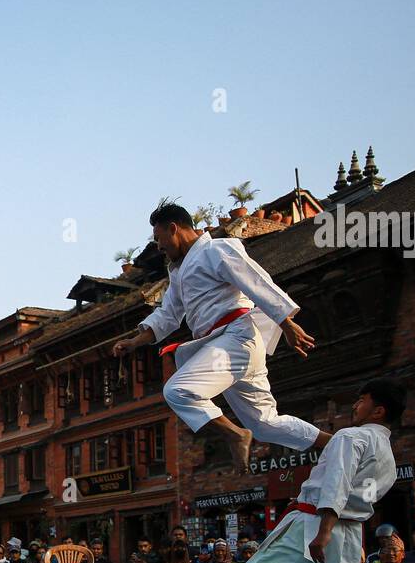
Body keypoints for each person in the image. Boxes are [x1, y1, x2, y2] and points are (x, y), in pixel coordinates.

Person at [170, 378, 407, 563]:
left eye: (362, 400)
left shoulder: (351, 438)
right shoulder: (387, 456)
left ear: (379, 411)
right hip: (344, 533)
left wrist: (322, 533)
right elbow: (360, 498)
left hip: (312, 527)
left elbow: (336, 486)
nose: (356, 405)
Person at [111, 200, 330, 473]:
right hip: (227, 347)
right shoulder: (179, 273)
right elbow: (168, 314)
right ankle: (335, 444)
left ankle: (235, 435)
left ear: (173, 228)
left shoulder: (216, 250)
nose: (159, 247)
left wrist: (285, 322)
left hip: (237, 337)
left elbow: (255, 282)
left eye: (158, 239)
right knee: (264, 423)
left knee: (178, 390)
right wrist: (134, 342)